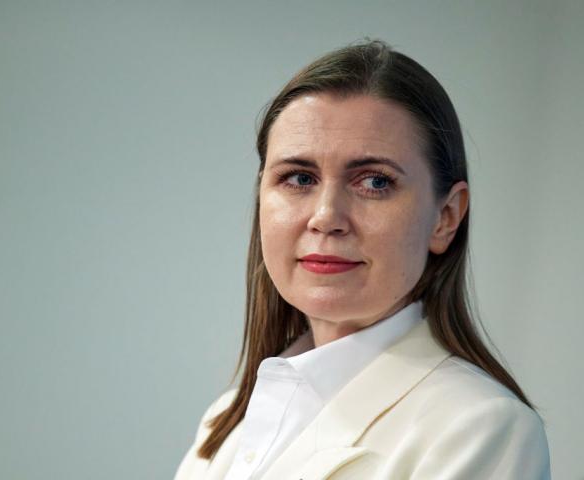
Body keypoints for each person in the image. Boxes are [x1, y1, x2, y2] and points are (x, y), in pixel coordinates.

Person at [174, 39, 551, 479]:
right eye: (299, 178)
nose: (326, 217)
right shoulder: (226, 422)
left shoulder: (480, 429)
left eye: (375, 182)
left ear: (446, 217)